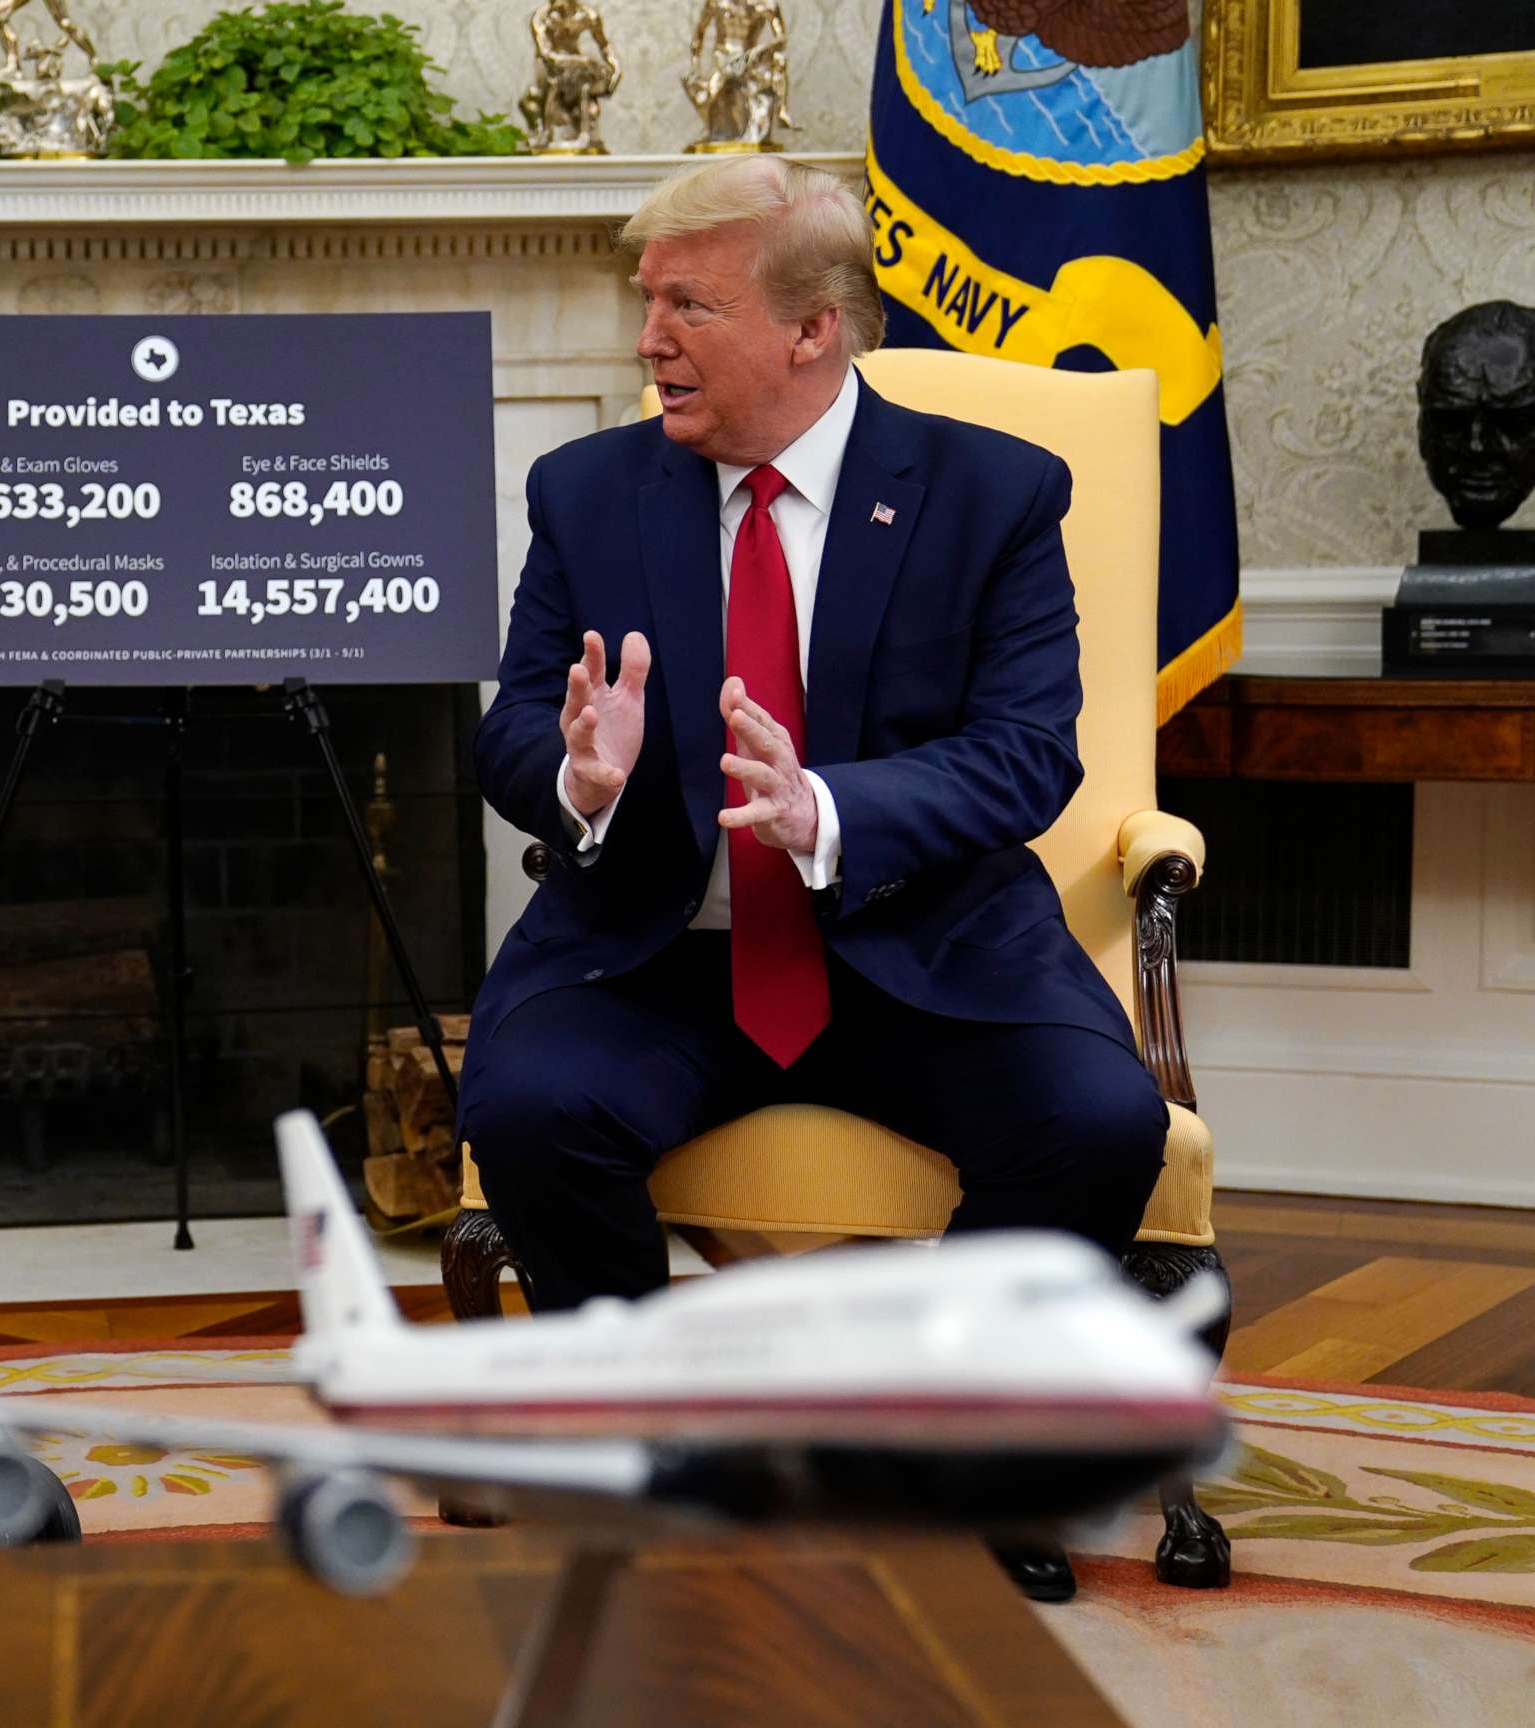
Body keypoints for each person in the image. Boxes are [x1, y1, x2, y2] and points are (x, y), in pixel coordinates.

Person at [460, 157, 1169, 1603]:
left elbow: (1031, 756)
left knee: (1097, 1119)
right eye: (644, 301)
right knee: (528, 1108)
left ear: (812, 330)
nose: (647, 338)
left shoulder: (994, 496)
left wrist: (831, 806)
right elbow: (521, 723)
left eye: (687, 305)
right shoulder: (588, 491)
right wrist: (576, 781)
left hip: (921, 941)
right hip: (660, 948)